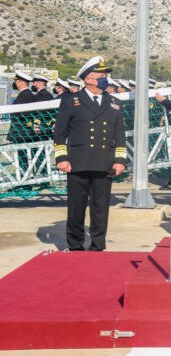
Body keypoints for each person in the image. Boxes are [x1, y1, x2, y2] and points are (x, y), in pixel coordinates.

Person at [53, 56, 127, 251]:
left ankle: (97, 245)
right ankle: (75, 245)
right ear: (87, 79)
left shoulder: (114, 102)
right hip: (78, 162)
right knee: (76, 207)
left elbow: (120, 135)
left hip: (104, 162)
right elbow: (60, 133)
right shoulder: (71, 101)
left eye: (105, 76)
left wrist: (120, 160)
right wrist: (61, 158)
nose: (104, 79)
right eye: (100, 76)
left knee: (100, 207)